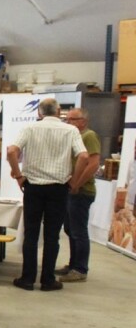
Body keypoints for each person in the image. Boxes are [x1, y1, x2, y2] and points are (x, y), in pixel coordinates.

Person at [7, 98, 88, 292]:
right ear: (59, 111)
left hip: (33, 186)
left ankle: (27, 278)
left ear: (39, 113)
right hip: (59, 188)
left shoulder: (31, 129)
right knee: (52, 236)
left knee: (31, 234)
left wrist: (18, 175)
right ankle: (48, 279)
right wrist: (74, 181)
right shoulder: (71, 130)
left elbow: (11, 150)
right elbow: (84, 156)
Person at [57, 108, 101, 282]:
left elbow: (93, 163)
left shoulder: (89, 136)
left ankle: (80, 269)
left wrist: (77, 183)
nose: (68, 123)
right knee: (70, 229)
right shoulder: (75, 137)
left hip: (81, 191)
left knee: (78, 231)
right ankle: (73, 264)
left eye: (72, 119)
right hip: (72, 190)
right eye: (67, 119)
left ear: (83, 120)